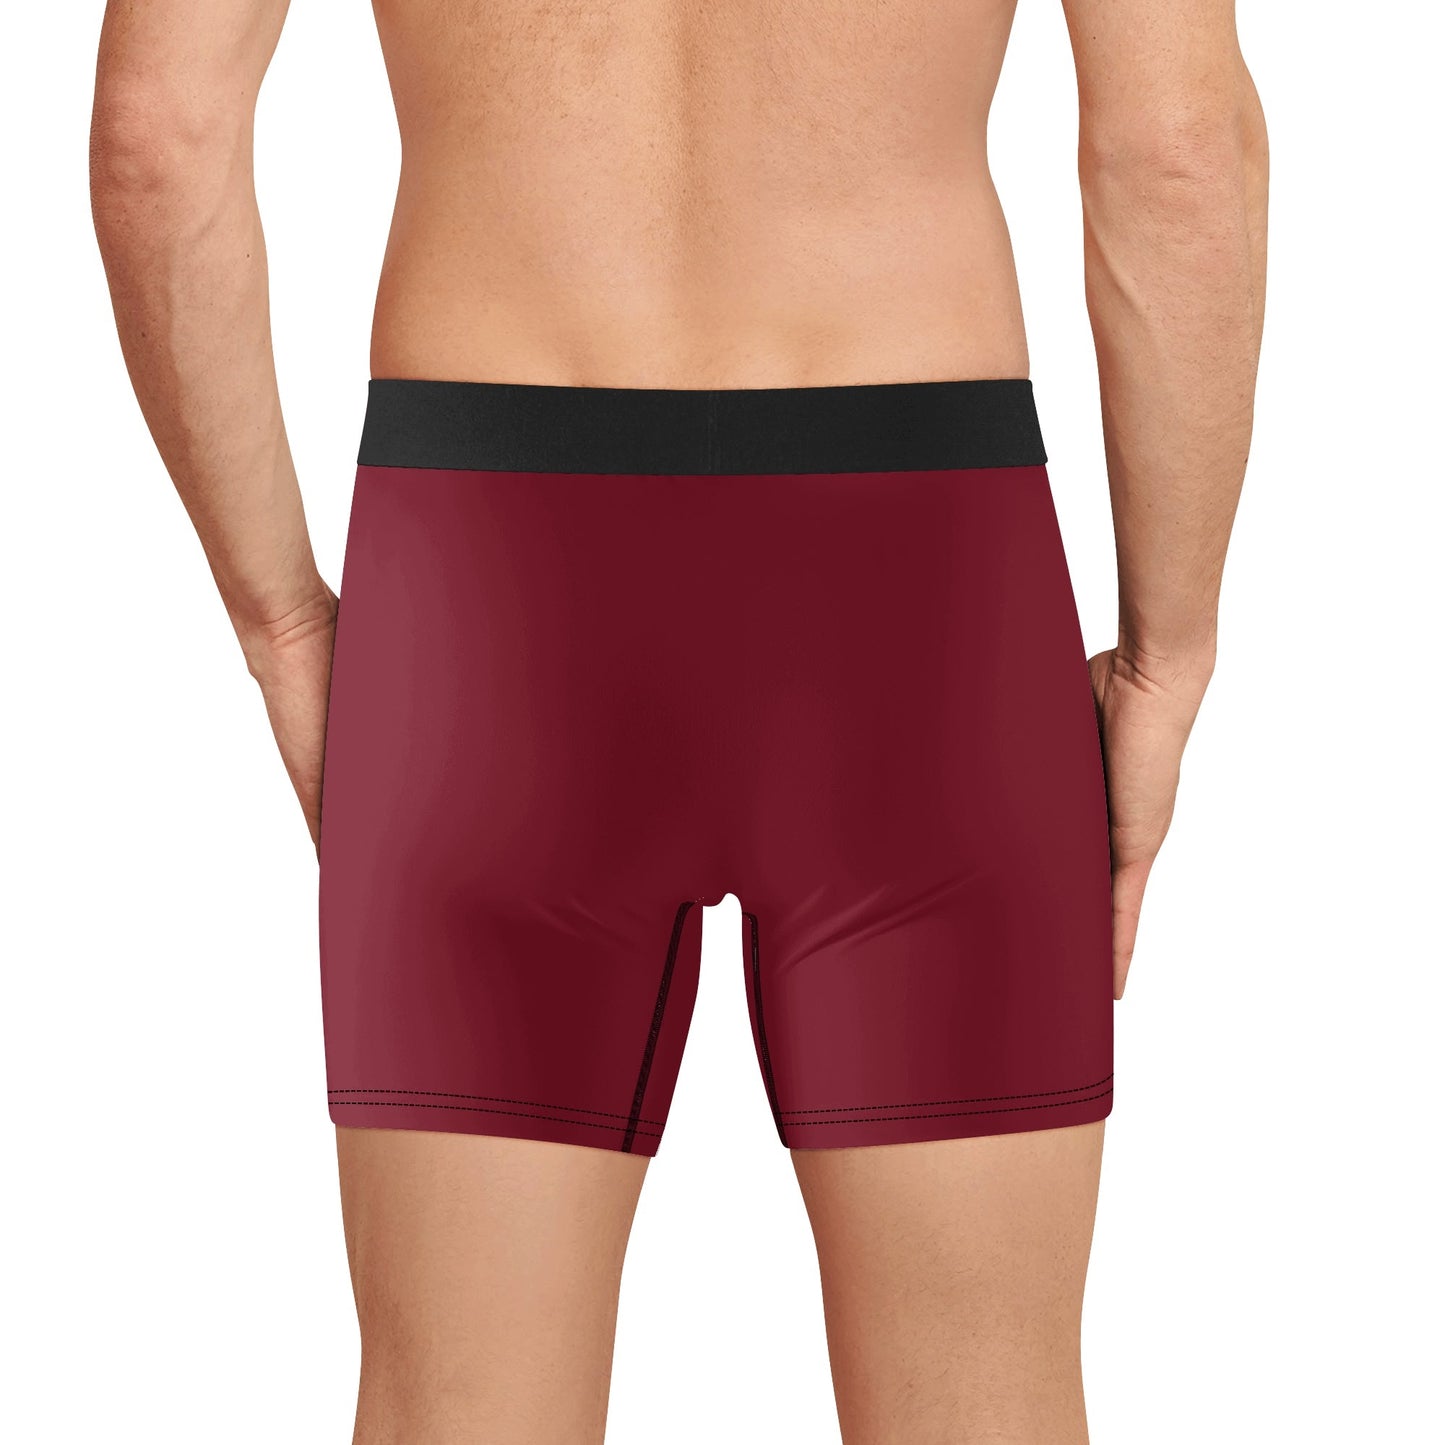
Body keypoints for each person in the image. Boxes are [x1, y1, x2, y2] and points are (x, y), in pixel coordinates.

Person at [89, 0, 1266, 1438]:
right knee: (983, 1402)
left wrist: (283, 624)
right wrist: (1167, 656)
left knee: (458, 1408)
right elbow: (1174, 151)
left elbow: (159, 137)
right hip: (916, 577)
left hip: (487, 577)